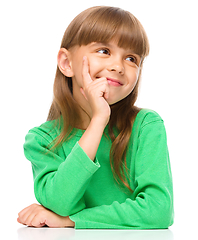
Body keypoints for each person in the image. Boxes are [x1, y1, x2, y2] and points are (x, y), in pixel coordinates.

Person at [17, 6, 174, 229]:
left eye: (131, 58)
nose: (118, 66)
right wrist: (98, 121)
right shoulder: (42, 139)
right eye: (104, 51)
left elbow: (159, 211)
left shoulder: (146, 126)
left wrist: (72, 220)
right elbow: (59, 203)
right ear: (67, 63)